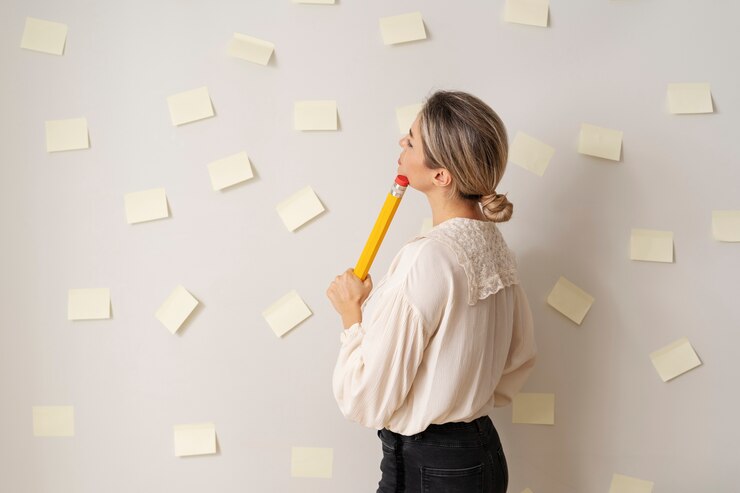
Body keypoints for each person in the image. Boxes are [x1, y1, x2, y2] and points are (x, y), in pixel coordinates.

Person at [326, 90, 537, 493]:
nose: (400, 145)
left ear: (442, 176)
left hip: (431, 468)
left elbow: (365, 399)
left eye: (411, 141)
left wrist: (352, 315)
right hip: (481, 455)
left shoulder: (428, 257)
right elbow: (519, 360)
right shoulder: (495, 246)